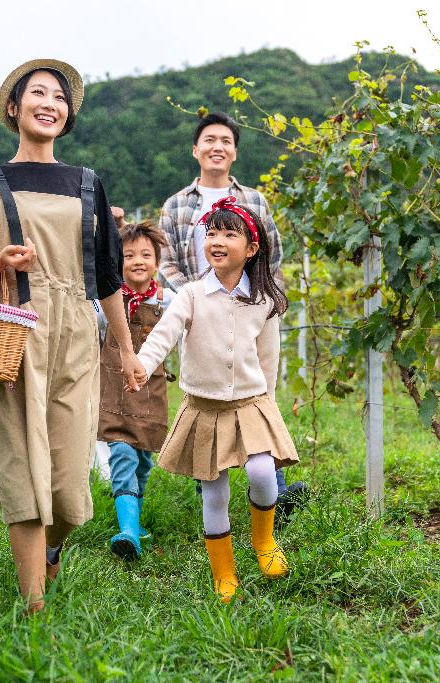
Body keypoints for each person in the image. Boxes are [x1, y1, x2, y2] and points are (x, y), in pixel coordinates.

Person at [0, 59, 145, 613]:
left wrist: (126, 350)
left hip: (79, 330)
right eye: (38, 94)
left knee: (70, 479)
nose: (49, 103)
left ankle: (53, 550)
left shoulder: (87, 182)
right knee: (22, 465)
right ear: (14, 108)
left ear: (67, 113)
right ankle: (32, 609)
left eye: (58, 97)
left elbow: (107, 276)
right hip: (14, 329)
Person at [131, 196, 299, 602]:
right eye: (211, 234)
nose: (217, 241)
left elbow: (268, 361)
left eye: (229, 234)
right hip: (204, 407)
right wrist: (141, 364)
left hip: (251, 403)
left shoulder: (264, 301)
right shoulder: (191, 294)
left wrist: (270, 410)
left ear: (252, 248)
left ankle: (264, 542)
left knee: (262, 474)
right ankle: (224, 572)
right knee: (215, 492)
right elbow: (163, 336)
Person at [157, 111, 306, 518]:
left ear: (235, 152)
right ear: (195, 149)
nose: (216, 146)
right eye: (209, 139)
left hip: (246, 308)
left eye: (225, 140)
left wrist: (264, 295)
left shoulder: (254, 201)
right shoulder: (175, 205)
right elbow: (165, 259)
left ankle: (273, 489)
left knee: (255, 386)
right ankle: (210, 483)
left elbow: (271, 254)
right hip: (200, 314)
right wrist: (192, 294)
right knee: (207, 395)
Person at [96, 221, 174, 560]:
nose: (137, 261)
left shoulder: (167, 301)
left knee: (143, 460)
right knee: (123, 454)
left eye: (146, 254)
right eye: (128, 255)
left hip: (150, 393)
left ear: (157, 262)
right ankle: (126, 529)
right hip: (114, 393)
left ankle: (135, 521)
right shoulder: (106, 304)